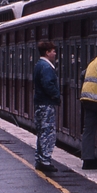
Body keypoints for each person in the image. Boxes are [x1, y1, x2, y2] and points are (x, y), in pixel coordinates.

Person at [33, 40, 60, 173]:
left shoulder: (39, 65)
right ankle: (45, 160)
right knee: (48, 132)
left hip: (40, 103)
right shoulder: (46, 67)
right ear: (47, 52)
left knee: (41, 131)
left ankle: (40, 158)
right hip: (46, 103)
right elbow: (48, 84)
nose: (55, 53)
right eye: (53, 51)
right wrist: (56, 95)